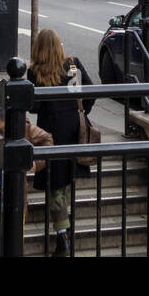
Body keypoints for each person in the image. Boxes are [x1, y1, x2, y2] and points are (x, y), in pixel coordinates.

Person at [26, 28, 94, 257]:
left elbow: (33, 107)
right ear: (59, 45)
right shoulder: (73, 66)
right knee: (66, 181)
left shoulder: (35, 72)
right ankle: (66, 229)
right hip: (74, 130)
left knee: (55, 187)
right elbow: (91, 93)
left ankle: (62, 237)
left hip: (50, 134)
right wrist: (80, 114)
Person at [0, 92, 53, 225]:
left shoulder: (24, 127)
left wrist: (35, 162)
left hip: (14, 199)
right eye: (3, 119)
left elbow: (47, 139)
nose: (8, 124)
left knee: (14, 238)